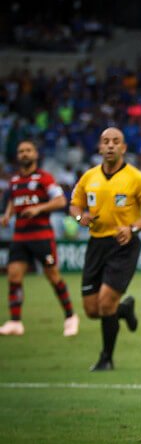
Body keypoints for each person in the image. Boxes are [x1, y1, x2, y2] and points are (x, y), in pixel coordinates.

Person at [69, 128, 141, 370]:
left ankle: (106, 359)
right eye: (105, 142)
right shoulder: (88, 177)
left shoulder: (136, 178)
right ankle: (124, 309)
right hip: (96, 244)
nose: (110, 146)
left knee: (105, 302)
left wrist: (132, 228)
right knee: (92, 310)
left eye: (116, 142)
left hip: (123, 246)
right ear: (99, 148)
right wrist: (81, 219)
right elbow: (75, 206)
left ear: (123, 148)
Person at [0, 140, 79, 336]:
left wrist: (38, 209)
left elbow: (60, 200)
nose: (24, 154)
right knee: (14, 276)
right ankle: (15, 322)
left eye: (28, 150)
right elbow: (12, 199)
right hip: (20, 236)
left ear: (36, 154)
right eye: (21, 151)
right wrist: (8, 214)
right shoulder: (15, 180)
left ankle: (70, 316)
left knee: (53, 276)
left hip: (42, 236)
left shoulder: (45, 179)